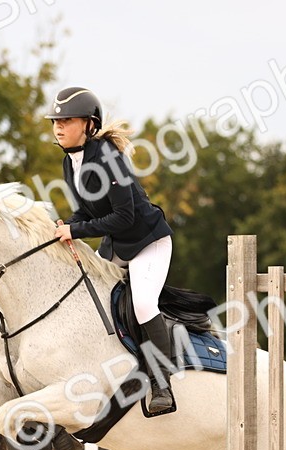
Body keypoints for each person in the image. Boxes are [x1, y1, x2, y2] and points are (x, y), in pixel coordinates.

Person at [46, 87, 177, 414]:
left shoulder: (108, 157)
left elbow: (124, 216)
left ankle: (163, 384)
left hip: (149, 241)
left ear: (89, 124)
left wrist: (75, 230)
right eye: (55, 121)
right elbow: (88, 212)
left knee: (144, 303)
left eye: (67, 120)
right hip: (118, 244)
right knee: (88, 298)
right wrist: (63, 227)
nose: (58, 127)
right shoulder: (70, 162)